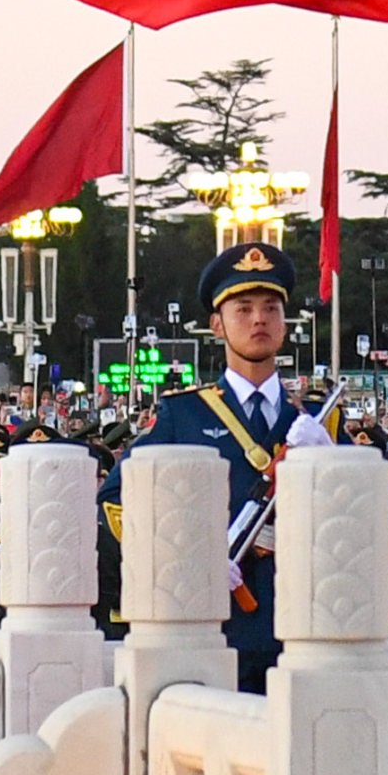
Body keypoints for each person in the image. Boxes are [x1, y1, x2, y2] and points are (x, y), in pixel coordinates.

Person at [130, 236, 327, 690]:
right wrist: (192, 558)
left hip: (300, 629)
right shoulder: (183, 416)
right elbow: (121, 505)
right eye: (243, 308)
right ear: (216, 325)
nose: (259, 318)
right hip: (213, 629)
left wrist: (331, 461)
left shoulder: (314, 424)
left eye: (271, 307)